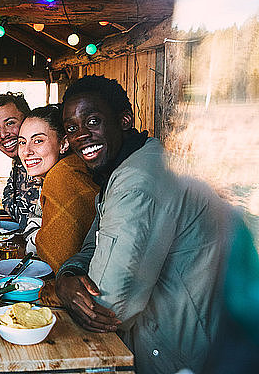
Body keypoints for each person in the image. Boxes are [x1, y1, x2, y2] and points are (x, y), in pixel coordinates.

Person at [55, 75, 233, 374]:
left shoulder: (138, 183)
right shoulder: (131, 163)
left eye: (93, 121)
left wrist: (65, 288)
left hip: (178, 354)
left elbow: (108, 308)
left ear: (124, 120)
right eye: (72, 128)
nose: (81, 135)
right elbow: (92, 245)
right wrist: (68, 275)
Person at [17, 106, 98, 272]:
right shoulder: (59, 171)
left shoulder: (63, 177)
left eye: (38, 140)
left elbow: (55, 255)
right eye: (22, 142)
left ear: (63, 143)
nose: (26, 151)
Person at [0, 92, 40, 230]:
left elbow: (31, 220)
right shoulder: (19, 162)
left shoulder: (40, 162)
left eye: (10, 123)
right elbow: (8, 198)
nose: (3, 134)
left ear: (27, 121)